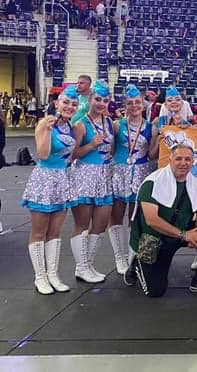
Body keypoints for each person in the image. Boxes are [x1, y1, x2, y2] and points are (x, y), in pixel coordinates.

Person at [125, 144, 197, 297]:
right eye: (178, 159)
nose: (183, 163)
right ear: (170, 160)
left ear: (193, 162)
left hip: (179, 232)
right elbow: (152, 220)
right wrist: (185, 235)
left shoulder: (195, 183)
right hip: (155, 239)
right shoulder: (152, 183)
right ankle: (137, 263)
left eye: (188, 159)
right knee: (155, 292)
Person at [20, 86, 80, 294]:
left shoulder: (70, 126)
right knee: (39, 231)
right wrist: (46, 129)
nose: (70, 107)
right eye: (66, 103)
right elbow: (43, 155)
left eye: (74, 104)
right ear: (57, 103)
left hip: (62, 181)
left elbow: (70, 156)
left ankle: (53, 275)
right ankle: (40, 277)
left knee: (55, 232)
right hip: (44, 181)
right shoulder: (45, 123)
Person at [108, 85, 159, 276]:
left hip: (141, 173)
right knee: (116, 216)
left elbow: (152, 155)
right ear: (125, 106)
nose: (135, 106)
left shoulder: (151, 127)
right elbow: (111, 150)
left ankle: (131, 255)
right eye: (130, 103)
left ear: (143, 105)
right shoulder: (116, 125)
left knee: (135, 218)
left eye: (138, 102)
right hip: (120, 173)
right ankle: (119, 256)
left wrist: (161, 138)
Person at [69, 80, 116, 284]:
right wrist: (91, 145)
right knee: (82, 223)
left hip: (105, 176)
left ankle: (89, 264)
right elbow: (72, 155)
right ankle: (80, 267)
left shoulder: (110, 123)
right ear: (90, 99)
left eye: (105, 100)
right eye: (98, 99)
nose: (101, 103)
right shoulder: (81, 124)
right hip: (84, 176)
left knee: (101, 223)